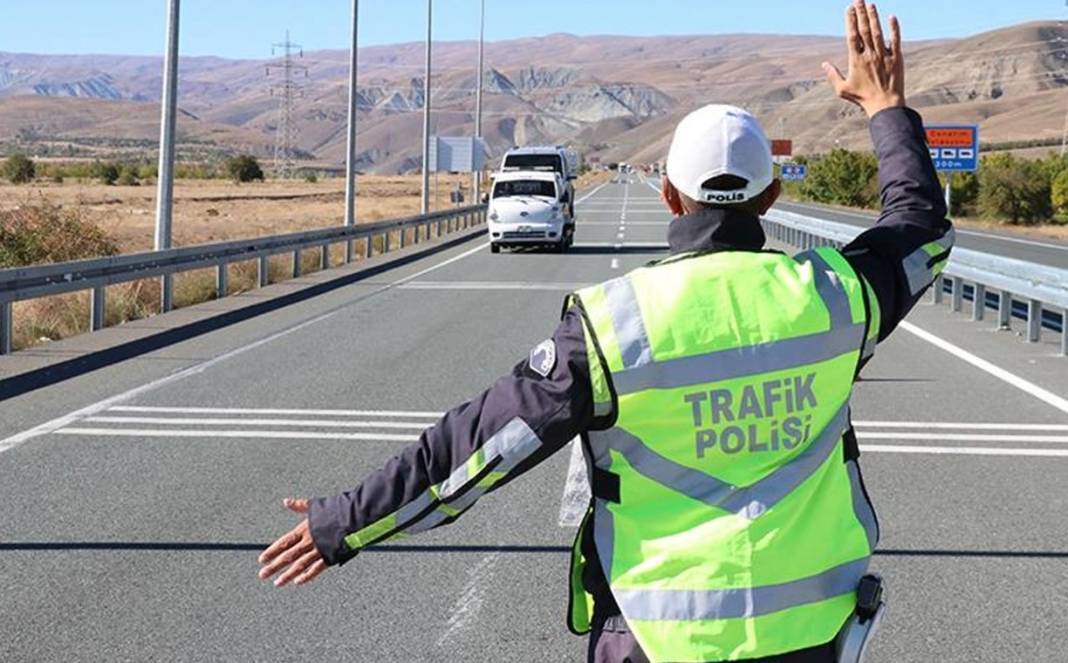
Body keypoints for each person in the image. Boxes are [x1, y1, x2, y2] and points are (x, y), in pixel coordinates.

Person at [258, 2, 953, 661]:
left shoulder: (614, 327)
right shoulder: (836, 296)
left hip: (658, 640)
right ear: (770, 198)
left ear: (668, 195)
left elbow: (472, 450)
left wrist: (343, 522)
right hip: (815, 633)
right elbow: (920, 226)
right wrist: (887, 109)